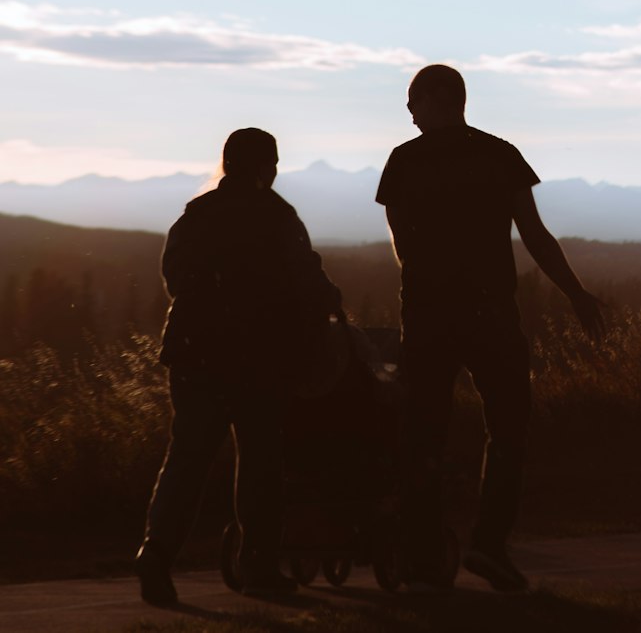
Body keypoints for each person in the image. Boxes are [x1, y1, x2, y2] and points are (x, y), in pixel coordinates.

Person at [376, 63, 604, 593]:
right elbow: (536, 236)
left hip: (429, 317)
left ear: (438, 99)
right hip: (491, 314)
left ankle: (420, 556)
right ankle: (488, 544)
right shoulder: (499, 154)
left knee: (422, 435)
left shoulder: (404, 161)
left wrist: (433, 276)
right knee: (508, 431)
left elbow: (402, 247)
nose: (408, 110)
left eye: (413, 100)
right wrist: (574, 293)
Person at [136, 127, 342, 608]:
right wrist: (329, 305)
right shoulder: (278, 216)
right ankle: (260, 568)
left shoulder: (197, 214)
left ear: (226, 164)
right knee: (261, 462)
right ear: (267, 166)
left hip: (194, 356)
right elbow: (307, 280)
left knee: (187, 459)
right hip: (260, 360)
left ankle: (156, 554)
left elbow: (175, 280)